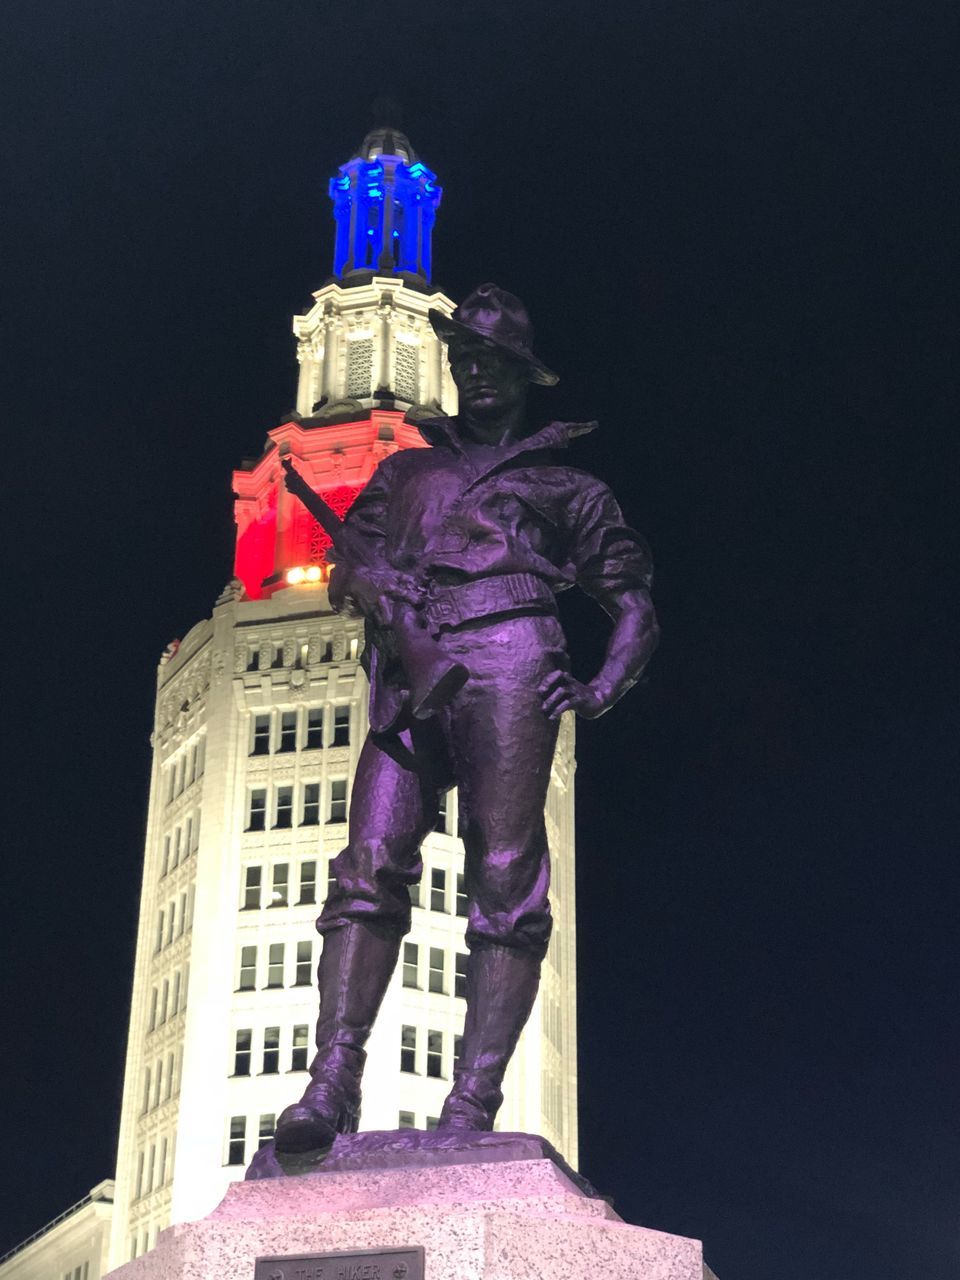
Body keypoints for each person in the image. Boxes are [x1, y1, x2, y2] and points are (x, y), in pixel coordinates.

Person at [274, 283, 660, 1155]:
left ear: (525, 374)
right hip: (409, 667)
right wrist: (367, 583)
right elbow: (347, 568)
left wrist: (599, 689)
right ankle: (330, 1086)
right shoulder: (404, 470)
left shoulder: (567, 482)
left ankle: (470, 1106)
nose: (480, 374)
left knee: (505, 877)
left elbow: (634, 605)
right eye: (468, 360)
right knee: (367, 862)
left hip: (514, 655)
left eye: (497, 362)